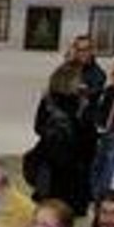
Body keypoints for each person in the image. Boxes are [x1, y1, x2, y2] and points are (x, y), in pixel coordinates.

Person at [27, 62, 97, 215]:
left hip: (49, 163)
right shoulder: (83, 103)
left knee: (48, 210)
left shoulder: (48, 101)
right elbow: (89, 137)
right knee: (70, 212)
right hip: (75, 168)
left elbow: (38, 127)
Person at [69, 34, 107, 100]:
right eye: (79, 50)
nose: (82, 53)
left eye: (86, 49)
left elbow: (93, 94)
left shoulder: (98, 75)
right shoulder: (69, 69)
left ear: (91, 51)